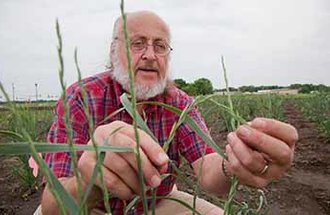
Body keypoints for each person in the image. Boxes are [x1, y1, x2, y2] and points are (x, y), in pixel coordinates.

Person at [39, 11, 298, 215]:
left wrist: (233, 163)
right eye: (138, 44)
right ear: (113, 51)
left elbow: (208, 169)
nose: (150, 55)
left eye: (160, 46)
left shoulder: (179, 102)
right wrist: (92, 181)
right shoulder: (82, 96)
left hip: (157, 203)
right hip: (91, 208)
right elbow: (54, 205)